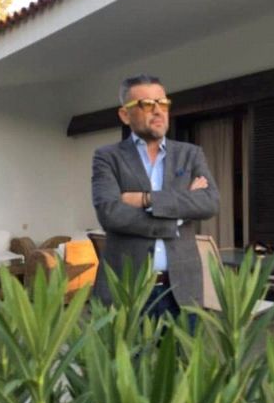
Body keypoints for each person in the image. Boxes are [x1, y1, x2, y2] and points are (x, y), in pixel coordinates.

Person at [91, 74, 219, 320]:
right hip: (126, 290)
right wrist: (178, 212)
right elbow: (110, 213)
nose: (158, 111)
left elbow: (209, 203)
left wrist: (147, 199)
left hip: (182, 289)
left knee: (183, 347)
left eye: (163, 103)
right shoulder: (107, 157)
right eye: (146, 104)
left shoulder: (190, 154)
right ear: (125, 115)